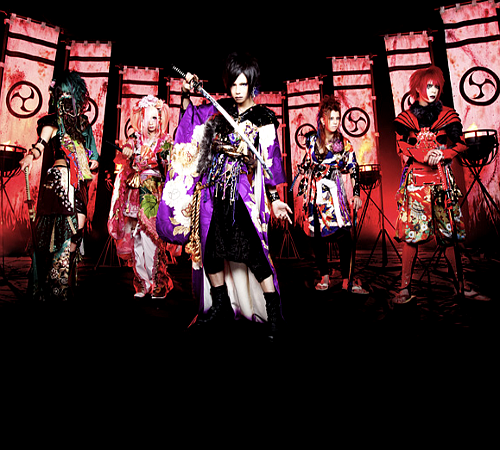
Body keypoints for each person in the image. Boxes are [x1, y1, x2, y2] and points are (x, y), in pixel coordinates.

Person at [157, 52, 292, 339]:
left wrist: (275, 198)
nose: (237, 90)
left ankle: (273, 313)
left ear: (252, 84)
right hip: (212, 190)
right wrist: (187, 93)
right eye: (233, 84)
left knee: (254, 253)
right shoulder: (220, 110)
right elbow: (192, 123)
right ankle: (219, 305)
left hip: (240, 190)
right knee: (211, 251)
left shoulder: (263, 117)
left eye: (243, 84)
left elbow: (269, 160)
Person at [392, 65, 489, 304]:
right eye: (429, 86)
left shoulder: (447, 114)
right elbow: (401, 145)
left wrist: (442, 154)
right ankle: (404, 288)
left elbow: (461, 143)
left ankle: (461, 286)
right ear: (417, 88)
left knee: (449, 234)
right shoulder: (405, 118)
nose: (433, 90)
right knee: (412, 236)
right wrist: (422, 155)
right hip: (416, 183)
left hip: (442, 181)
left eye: (436, 86)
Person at [19, 71, 99, 301]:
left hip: (79, 183)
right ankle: (54, 286)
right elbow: (41, 144)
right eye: (60, 93)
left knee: (77, 229)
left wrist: (93, 162)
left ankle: (64, 280)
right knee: (58, 233)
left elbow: (94, 157)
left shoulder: (83, 125)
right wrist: (31, 155)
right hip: (59, 182)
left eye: (68, 94)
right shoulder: (53, 122)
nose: (64, 98)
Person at [294, 95, 367, 294]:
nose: (335, 122)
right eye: (331, 118)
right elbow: (306, 162)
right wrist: (304, 170)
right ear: (322, 119)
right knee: (316, 236)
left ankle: (346, 279)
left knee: (343, 235)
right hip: (314, 193)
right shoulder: (311, 140)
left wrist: (356, 194)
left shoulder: (343, 143)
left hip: (334, 195)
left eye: (337, 118)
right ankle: (324, 275)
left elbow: (353, 167)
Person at [108, 95, 179, 299]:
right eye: (148, 117)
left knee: (153, 239)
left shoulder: (165, 141)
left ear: (160, 119)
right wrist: (127, 153)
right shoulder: (134, 140)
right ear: (141, 118)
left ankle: (158, 282)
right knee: (136, 238)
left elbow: (171, 165)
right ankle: (142, 283)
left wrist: (165, 159)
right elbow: (124, 158)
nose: (151, 122)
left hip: (154, 192)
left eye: (155, 117)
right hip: (134, 191)